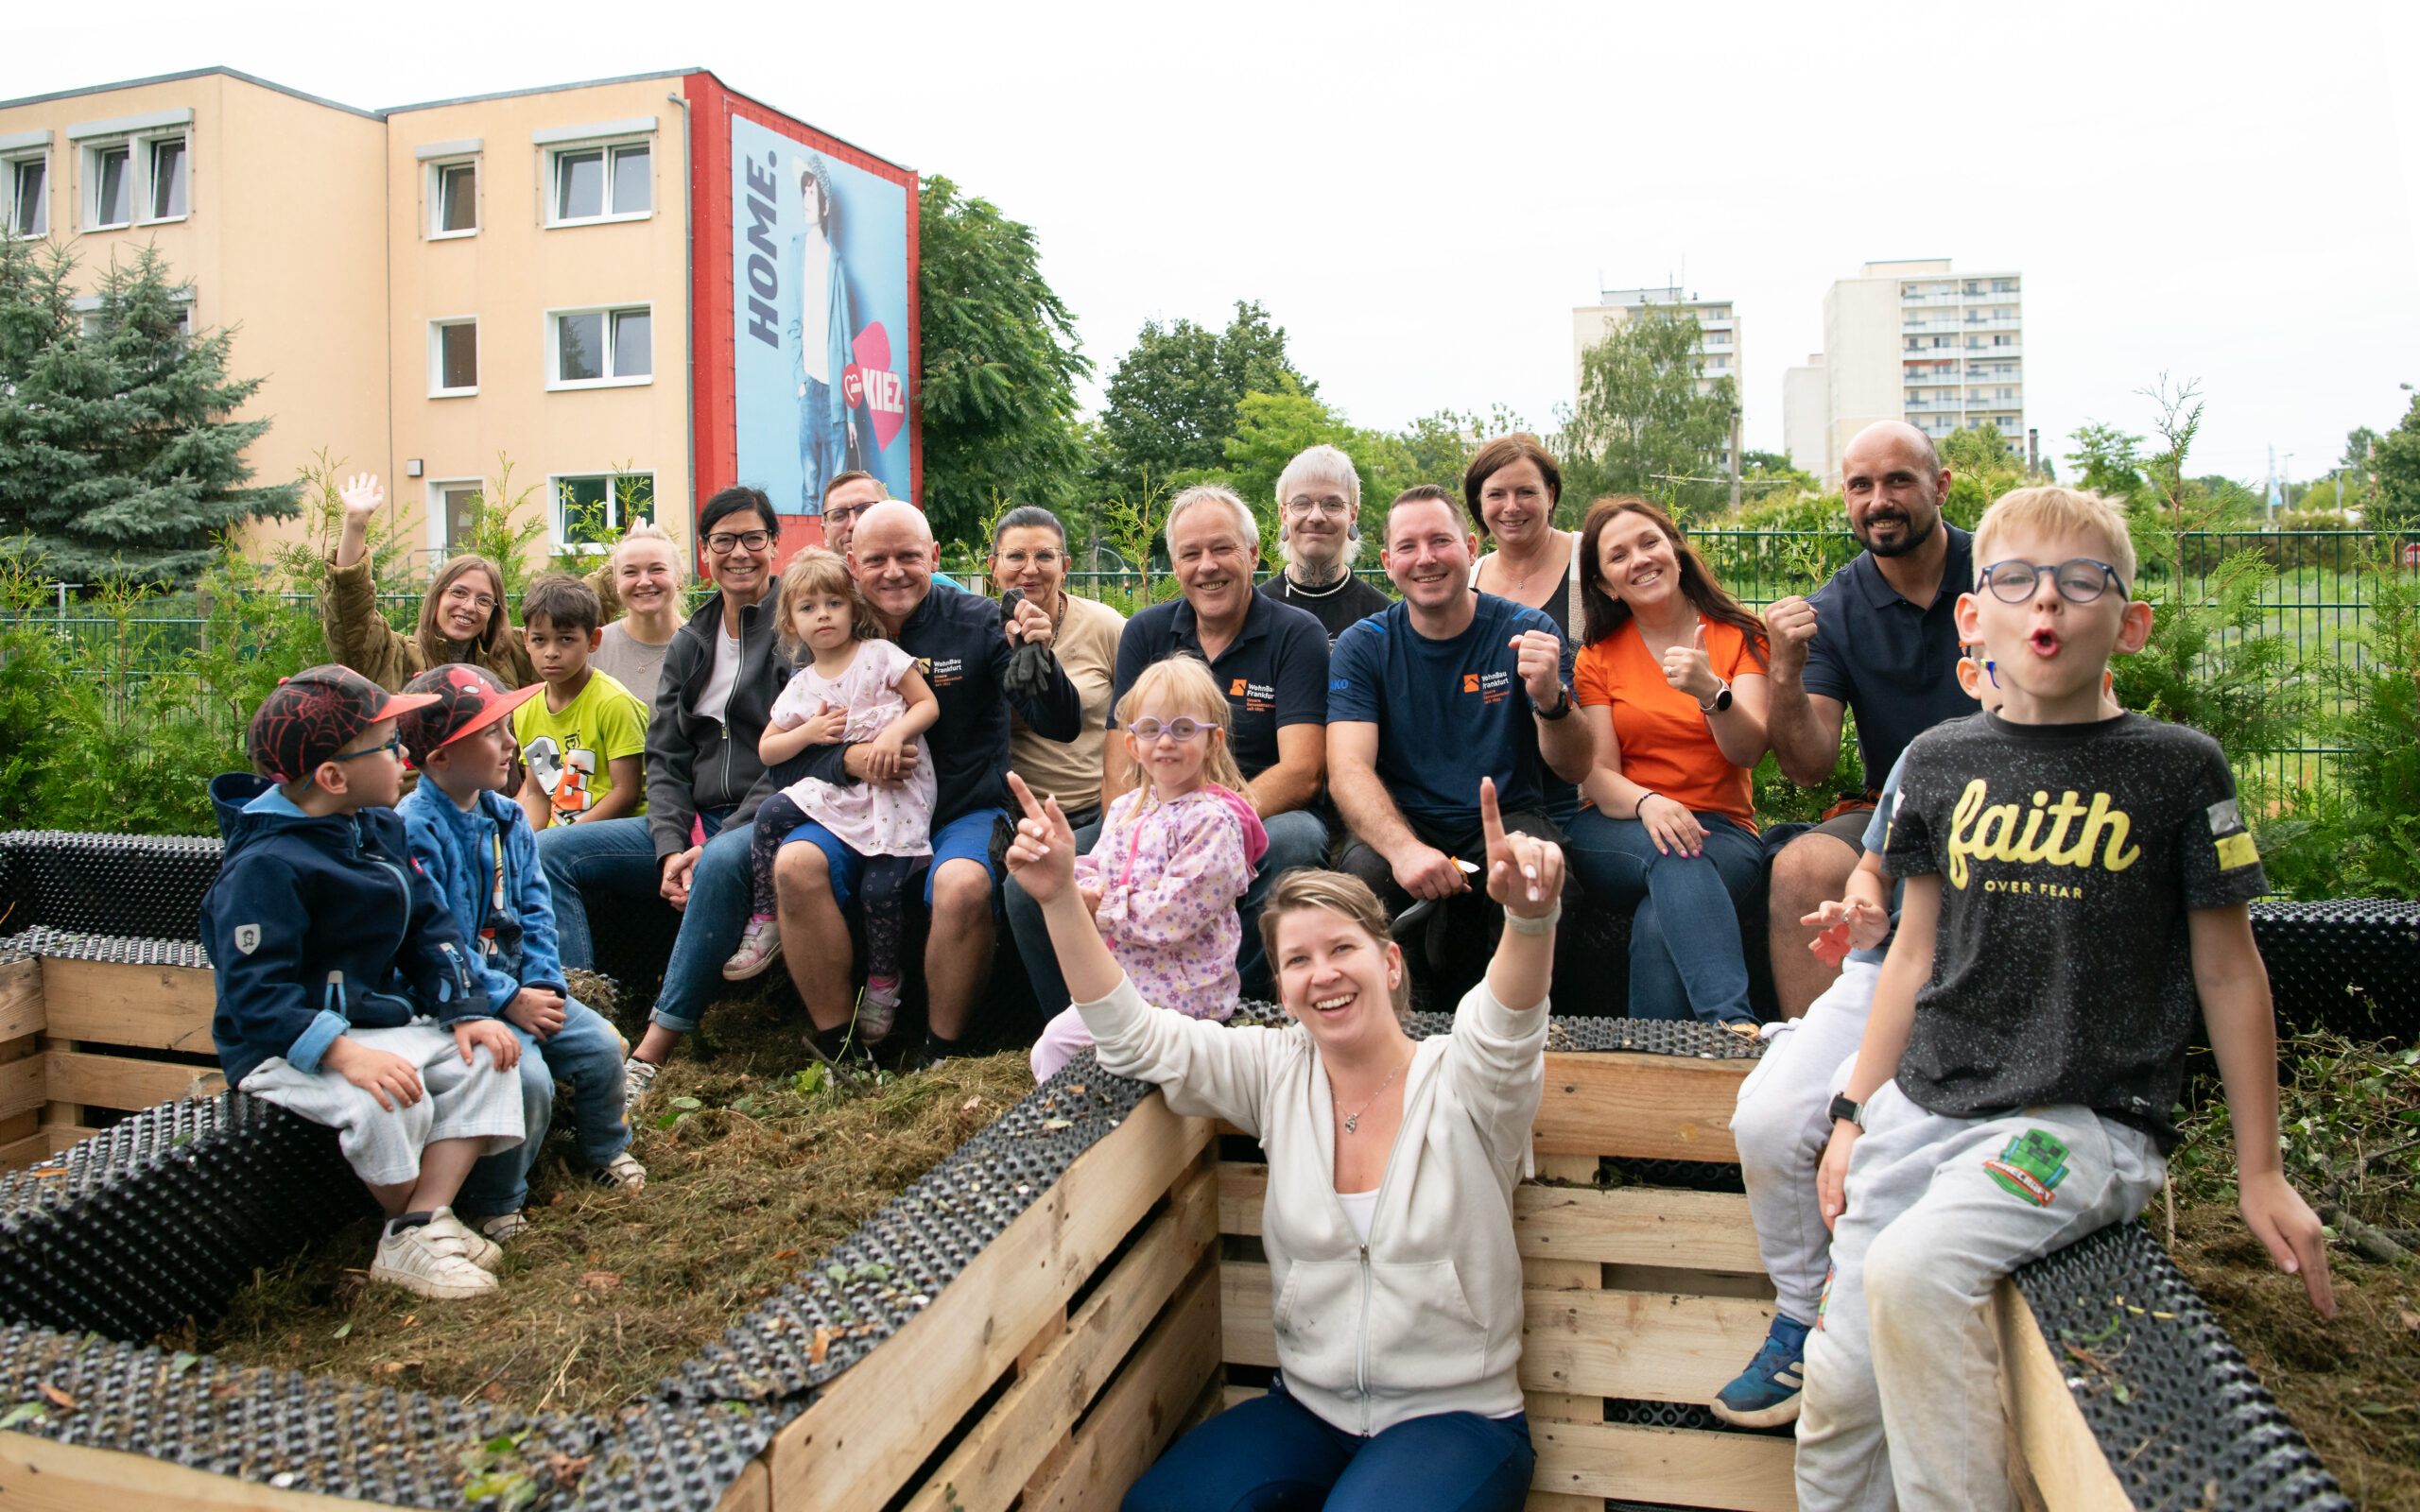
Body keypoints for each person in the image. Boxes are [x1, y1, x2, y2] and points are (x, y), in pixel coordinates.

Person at [1798, 488, 2336, 1512]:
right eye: (2013, 580)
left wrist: (2260, 1171)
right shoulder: (1940, 762)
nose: (2045, 602)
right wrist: (1850, 1108)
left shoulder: (2177, 770)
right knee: (1835, 1391)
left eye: (2081, 582)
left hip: (2077, 1123)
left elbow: (2229, 969)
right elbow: (1912, 957)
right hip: (1921, 1109)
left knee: (1916, 1274)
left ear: (2126, 620)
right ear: (1974, 615)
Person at [1006, 773, 1558, 1512]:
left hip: (1455, 1417)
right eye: (1296, 961)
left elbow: (1511, 1019)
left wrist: (1529, 919)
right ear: (1284, 987)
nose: (1322, 974)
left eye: (1341, 949)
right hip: (1310, 1409)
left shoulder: (1468, 1080)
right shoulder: (1274, 1072)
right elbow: (1131, 1036)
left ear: (1389, 963)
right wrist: (1059, 899)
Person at [1716, 643, 2005, 1429]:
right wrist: (1862, 906)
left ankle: (1855, 1336)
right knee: (1766, 1121)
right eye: (1981, 653)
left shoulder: (2100, 769)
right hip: (1884, 970)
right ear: (1970, 661)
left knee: (1876, 1142)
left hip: (1978, 994)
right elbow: (1873, 869)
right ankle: (1801, 1315)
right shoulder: (1932, 755)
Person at [199, 665, 525, 1301]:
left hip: (371, 1025)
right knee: (384, 1097)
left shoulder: (374, 826)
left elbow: (430, 927)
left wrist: (464, 1007)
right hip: (284, 1048)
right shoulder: (263, 867)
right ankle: (417, 1237)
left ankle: (418, 1224)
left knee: (489, 1054)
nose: (404, 754)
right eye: (387, 745)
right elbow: (255, 996)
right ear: (332, 776)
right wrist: (342, 1053)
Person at [772, 501, 1078, 1067]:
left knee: (963, 886)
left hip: (962, 810)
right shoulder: (826, 623)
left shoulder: (981, 622)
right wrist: (850, 761)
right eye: (877, 559)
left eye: (909, 556)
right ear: (852, 563)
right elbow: (782, 764)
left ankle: (940, 1055)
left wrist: (1040, 655)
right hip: (856, 813)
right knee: (793, 866)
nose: (893, 572)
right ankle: (841, 1053)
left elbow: (1060, 725)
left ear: (933, 557)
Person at [1007, 485, 1332, 1013]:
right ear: (1175, 566)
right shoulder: (1147, 631)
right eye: (1190, 553)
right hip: (1148, 807)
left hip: (1255, 811)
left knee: (1294, 843)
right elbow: (1119, 759)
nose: (1208, 566)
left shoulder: (1296, 634)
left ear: (1253, 555)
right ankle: (1091, 1025)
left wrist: (1201, 823)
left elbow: (1302, 770)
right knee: (1032, 884)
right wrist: (1133, 834)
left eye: (1222, 549)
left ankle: (1231, 1011)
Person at [536, 486, 786, 1107]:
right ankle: (580, 1023)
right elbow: (666, 757)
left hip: (770, 816)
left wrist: (719, 840)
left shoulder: (797, 627)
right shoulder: (692, 641)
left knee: (723, 862)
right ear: (704, 555)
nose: (739, 552)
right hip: (694, 821)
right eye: (723, 541)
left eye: (752, 538)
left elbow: (801, 756)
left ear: (774, 546)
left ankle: (649, 1052)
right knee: (550, 852)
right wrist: (671, 845)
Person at [395, 664, 645, 1244]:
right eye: (493, 734)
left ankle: (605, 1149)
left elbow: (535, 910)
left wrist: (546, 984)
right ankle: (497, 1202)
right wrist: (508, 1001)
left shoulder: (507, 817)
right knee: (524, 1080)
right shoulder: (415, 831)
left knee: (603, 1045)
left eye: (508, 727)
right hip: (463, 998)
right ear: (439, 760)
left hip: (524, 986)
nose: (513, 744)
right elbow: (442, 943)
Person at [1762, 421, 1975, 1019]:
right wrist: (1784, 671)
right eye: (1861, 486)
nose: (1879, 501)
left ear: (1941, 487)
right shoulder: (1832, 610)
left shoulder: (2000, 576)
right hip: (1896, 811)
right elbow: (1809, 767)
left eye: (1898, 481)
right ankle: (1814, 1061)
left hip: (2010, 798)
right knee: (1802, 864)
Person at [1329, 488, 1588, 976]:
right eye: (1407, 546)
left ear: (1471, 550)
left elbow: (1575, 767)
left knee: (1538, 878)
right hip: (1405, 820)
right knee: (1359, 885)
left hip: (1507, 816)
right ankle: (1387, 1041)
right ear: (1388, 562)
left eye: (1440, 541)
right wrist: (1404, 850)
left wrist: (1552, 701)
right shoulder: (1364, 645)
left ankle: (1518, 1033)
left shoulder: (1527, 631)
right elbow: (1347, 767)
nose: (1425, 558)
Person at [1562, 499, 1771, 1028]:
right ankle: (1735, 1028)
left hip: (1723, 830)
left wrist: (1711, 692)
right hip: (1618, 826)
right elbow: (1598, 776)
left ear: (1676, 551)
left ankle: (1653, 1068)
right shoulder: (1598, 657)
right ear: (1606, 584)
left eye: (1649, 542)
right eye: (1618, 555)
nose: (1639, 559)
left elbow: (1748, 751)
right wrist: (1650, 803)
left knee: (1661, 916)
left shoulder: (1740, 635)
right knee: (1675, 851)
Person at [724, 549, 940, 1050]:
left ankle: (884, 984)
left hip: (894, 792)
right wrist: (812, 732)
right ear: (792, 623)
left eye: (833, 603)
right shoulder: (802, 685)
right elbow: (769, 748)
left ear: (853, 608)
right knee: (774, 812)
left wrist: (895, 735)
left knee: (880, 891)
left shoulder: (880, 656)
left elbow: (927, 702)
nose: (822, 614)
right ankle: (765, 917)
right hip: (842, 795)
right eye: (807, 607)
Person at [1028, 657, 1266, 1082]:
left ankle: (1077, 1136)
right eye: (1152, 729)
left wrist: (1101, 905)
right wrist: (1072, 883)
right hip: (1127, 982)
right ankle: (1094, 1127)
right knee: (1054, 1047)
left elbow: (1173, 914)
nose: (1166, 742)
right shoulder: (1126, 809)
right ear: (1133, 744)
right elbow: (1096, 865)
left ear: (1213, 741)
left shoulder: (1213, 822)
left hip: (1185, 997)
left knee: (1057, 1047)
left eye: (1184, 728)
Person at [320, 473, 533, 691]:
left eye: (484, 600)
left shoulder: (516, 654)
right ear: (437, 596)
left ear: (494, 611)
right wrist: (356, 523)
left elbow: (562, 630)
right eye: (459, 593)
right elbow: (351, 616)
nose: (469, 606)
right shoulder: (393, 655)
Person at [991, 505, 1125, 828]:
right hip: (1007, 815)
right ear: (993, 567)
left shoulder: (1106, 627)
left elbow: (1146, 719)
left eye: (1045, 557)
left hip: (1095, 813)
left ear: (1065, 567)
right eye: (1016, 556)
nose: (1030, 569)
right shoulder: (978, 633)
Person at [512, 574, 650, 833]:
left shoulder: (614, 703)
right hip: (555, 839)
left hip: (616, 832)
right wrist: (524, 846)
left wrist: (558, 840)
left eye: (566, 639)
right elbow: (537, 796)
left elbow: (625, 794)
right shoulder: (525, 709)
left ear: (593, 641)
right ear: (526, 642)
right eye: (539, 639)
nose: (551, 652)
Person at [1258, 443, 1391, 644]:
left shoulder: (1382, 618)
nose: (1316, 517)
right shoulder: (1255, 612)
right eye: (1301, 503)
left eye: (1332, 504)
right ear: (1284, 515)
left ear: (1352, 515)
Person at [1466, 434, 1583, 640]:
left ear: (1550, 495)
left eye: (1526, 492)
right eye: (1496, 494)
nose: (1511, 507)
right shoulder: (1468, 580)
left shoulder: (1593, 558)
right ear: (1479, 502)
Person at [790, 155, 857, 514]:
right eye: (804, 192)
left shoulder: (837, 263)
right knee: (809, 482)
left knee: (840, 490)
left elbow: (845, 342)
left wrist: (848, 413)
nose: (806, 200)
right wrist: (799, 381)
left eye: (812, 193)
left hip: (834, 392)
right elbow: (793, 323)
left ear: (825, 204)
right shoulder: (796, 251)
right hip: (809, 388)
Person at [591, 522, 685, 705]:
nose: (644, 581)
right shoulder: (594, 649)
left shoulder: (702, 647)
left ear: (678, 576)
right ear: (616, 583)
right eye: (630, 572)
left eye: (657, 569)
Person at [820, 470, 961, 590]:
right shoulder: (812, 595)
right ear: (824, 533)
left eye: (864, 509)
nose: (853, 524)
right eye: (839, 516)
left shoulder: (934, 586)